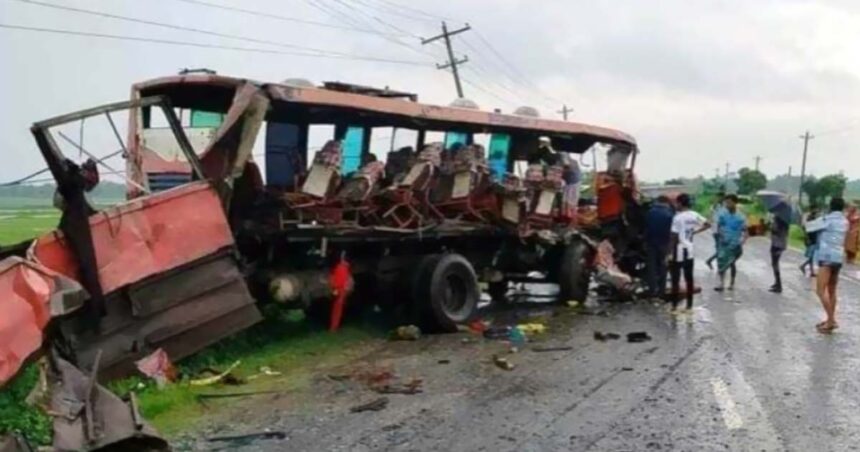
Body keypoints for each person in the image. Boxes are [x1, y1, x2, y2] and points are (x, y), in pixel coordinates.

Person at [805, 197, 848, 334]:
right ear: (842, 208)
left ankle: (831, 320)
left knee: (820, 290)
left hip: (826, 257)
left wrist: (806, 217)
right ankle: (830, 319)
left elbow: (809, 227)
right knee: (832, 291)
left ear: (830, 206)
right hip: (838, 258)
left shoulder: (827, 220)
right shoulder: (845, 221)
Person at [669, 193, 710, 311]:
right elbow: (708, 224)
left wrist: (669, 253)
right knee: (689, 277)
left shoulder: (677, 218)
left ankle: (674, 305)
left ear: (680, 203)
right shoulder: (694, 215)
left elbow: (674, 237)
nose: (676, 205)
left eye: (677, 203)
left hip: (678, 250)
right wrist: (694, 232)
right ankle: (689, 305)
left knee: (675, 279)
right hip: (689, 249)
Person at [714, 194, 747, 292]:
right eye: (726, 203)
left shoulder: (740, 216)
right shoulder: (722, 214)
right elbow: (719, 226)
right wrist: (721, 235)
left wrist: (743, 240)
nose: (727, 205)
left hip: (735, 243)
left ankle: (732, 282)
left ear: (735, 203)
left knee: (732, 263)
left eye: (729, 203)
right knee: (721, 262)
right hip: (724, 242)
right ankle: (721, 283)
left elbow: (745, 231)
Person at [644, 195, 674, 299]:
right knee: (663, 267)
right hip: (665, 244)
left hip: (651, 243)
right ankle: (661, 291)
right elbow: (672, 232)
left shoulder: (650, 212)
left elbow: (646, 228)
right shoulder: (670, 214)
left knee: (651, 267)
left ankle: (652, 290)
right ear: (666, 202)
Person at [769, 214, 790, 293]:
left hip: (777, 244)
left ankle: (778, 285)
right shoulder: (786, 222)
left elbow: (774, 230)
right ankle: (777, 283)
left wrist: (772, 224)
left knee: (775, 265)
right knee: (775, 264)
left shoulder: (779, 221)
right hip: (780, 244)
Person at [705, 193, 726, 270]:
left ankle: (712, 262)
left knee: (721, 249)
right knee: (721, 249)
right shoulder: (720, 208)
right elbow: (710, 218)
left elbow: (709, 218)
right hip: (718, 231)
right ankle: (718, 265)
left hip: (718, 231)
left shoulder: (716, 207)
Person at [800, 207, 820, 277]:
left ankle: (809, 269)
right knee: (812, 256)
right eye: (817, 211)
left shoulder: (811, 219)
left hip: (812, 239)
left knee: (812, 256)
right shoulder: (812, 219)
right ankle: (805, 267)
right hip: (812, 239)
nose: (818, 212)